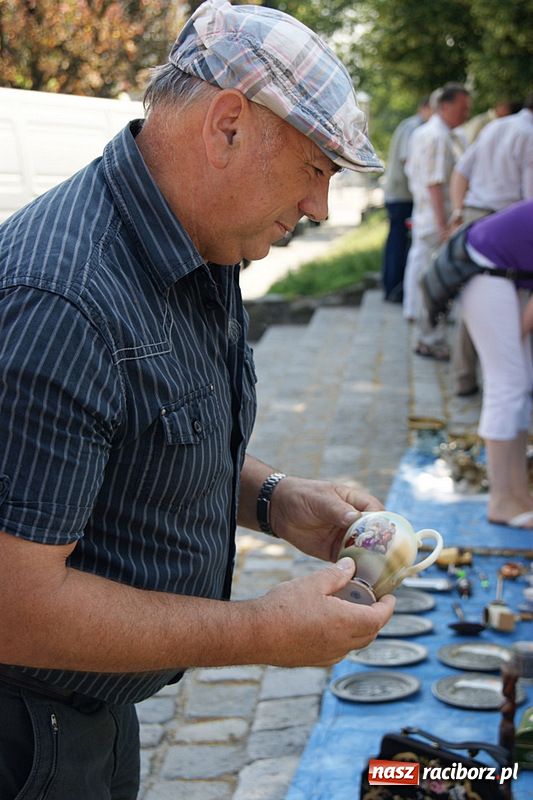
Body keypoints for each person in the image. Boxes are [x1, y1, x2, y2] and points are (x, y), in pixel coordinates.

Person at [0, 1, 395, 797]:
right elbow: (16, 607)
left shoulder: (197, 240)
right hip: (24, 736)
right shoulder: (62, 301)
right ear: (227, 126)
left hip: (90, 713)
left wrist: (275, 500)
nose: (320, 208)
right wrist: (261, 632)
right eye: (315, 168)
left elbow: (139, 434)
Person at [445, 201, 533, 528]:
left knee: (518, 382)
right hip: (484, 267)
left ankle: (519, 493)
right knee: (507, 384)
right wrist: (513, 339)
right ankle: (501, 500)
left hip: (504, 272)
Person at [449, 94, 533, 396]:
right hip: (505, 224)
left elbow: (460, 172)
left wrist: (458, 212)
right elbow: (530, 200)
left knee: (473, 301)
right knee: (511, 303)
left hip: (474, 217)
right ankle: (508, 374)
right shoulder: (529, 135)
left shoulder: (496, 126)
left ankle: (464, 377)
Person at [403, 83, 471, 359]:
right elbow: (434, 184)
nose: (466, 114)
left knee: (426, 274)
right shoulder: (437, 136)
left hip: (428, 215)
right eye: (462, 108)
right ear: (445, 106)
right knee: (434, 281)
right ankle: (429, 338)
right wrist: (445, 225)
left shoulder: (431, 133)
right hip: (435, 219)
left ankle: (427, 333)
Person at [381, 96, 432, 303]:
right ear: (426, 107)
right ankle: (394, 289)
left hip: (401, 195)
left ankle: (393, 287)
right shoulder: (413, 127)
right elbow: (408, 162)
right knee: (399, 243)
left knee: (398, 242)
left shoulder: (412, 125)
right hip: (402, 196)